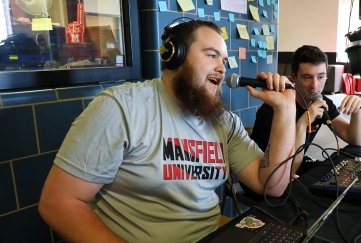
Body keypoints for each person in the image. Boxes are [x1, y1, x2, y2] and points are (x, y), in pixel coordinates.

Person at [38, 20, 296, 243]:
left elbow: (270, 186)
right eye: (211, 55)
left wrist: (285, 111)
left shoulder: (224, 122)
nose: (222, 67)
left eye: (224, 60)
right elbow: (58, 204)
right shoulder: (121, 107)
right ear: (176, 56)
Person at [251, 45, 361, 176]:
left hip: (295, 162)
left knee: (333, 173)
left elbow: (354, 139)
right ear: (293, 77)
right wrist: (303, 122)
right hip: (266, 172)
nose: (315, 85)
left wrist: (358, 108)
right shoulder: (275, 109)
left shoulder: (321, 102)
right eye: (307, 77)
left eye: (321, 77)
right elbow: (282, 169)